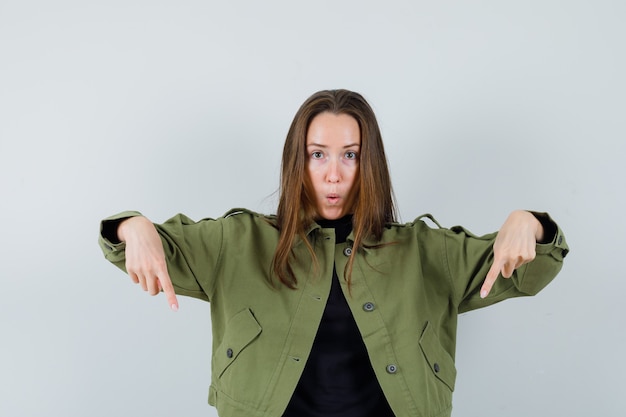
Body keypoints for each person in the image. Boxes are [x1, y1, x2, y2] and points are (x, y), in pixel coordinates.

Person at [99, 89, 569, 417]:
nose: (333, 174)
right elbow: (144, 245)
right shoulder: (236, 243)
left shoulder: (427, 253)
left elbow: (528, 270)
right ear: (296, 161)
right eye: (317, 154)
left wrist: (529, 222)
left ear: (370, 163)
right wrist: (132, 225)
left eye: (350, 155)